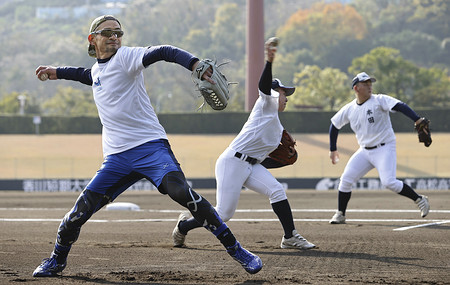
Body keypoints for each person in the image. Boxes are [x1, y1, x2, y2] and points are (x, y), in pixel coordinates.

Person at [32, 15, 262, 277]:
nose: (115, 37)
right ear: (92, 39)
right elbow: (88, 75)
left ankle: (237, 249)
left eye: (118, 33)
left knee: (181, 193)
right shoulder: (98, 71)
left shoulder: (126, 57)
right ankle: (56, 260)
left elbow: (164, 51)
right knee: (77, 213)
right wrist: (57, 72)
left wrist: (195, 63)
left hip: (150, 148)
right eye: (108, 33)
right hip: (117, 158)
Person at [172, 38, 316, 250]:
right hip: (232, 161)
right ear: (275, 93)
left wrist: (287, 162)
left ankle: (290, 236)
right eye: (284, 93)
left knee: (277, 191)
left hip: (250, 165)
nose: (287, 98)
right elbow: (263, 86)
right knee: (223, 214)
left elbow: (267, 162)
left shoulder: (277, 130)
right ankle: (183, 227)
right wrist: (269, 61)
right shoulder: (265, 103)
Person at [328, 72, 431, 224]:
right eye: (365, 83)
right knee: (346, 179)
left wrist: (416, 119)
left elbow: (400, 106)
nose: (370, 85)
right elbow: (334, 126)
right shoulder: (349, 109)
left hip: (384, 148)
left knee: (389, 182)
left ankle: (419, 199)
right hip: (364, 150)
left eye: (370, 83)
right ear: (356, 88)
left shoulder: (379, 100)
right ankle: (340, 213)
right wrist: (333, 149)